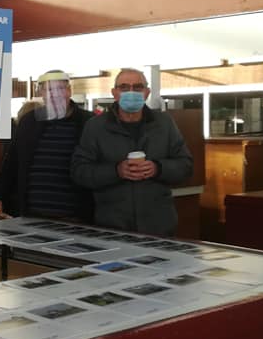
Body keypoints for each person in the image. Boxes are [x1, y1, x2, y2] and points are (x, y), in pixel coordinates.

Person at [71, 68, 193, 235]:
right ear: (114, 93)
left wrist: (158, 168)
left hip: (159, 225)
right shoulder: (96, 127)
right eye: (124, 87)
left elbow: (186, 166)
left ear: (147, 92)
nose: (131, 92)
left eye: (137, 87)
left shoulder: (164, 123)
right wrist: (116, 171)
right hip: (111, 226)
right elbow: (80, 171)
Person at [0, 70, 94, 221]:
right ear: (42, 94)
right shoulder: (29, 122)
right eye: (49, 89)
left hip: (76, 217)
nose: (54, 94)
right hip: (32, 215)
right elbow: (11, 163)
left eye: (60, 88)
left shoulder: (88, 122)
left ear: (69, 91)